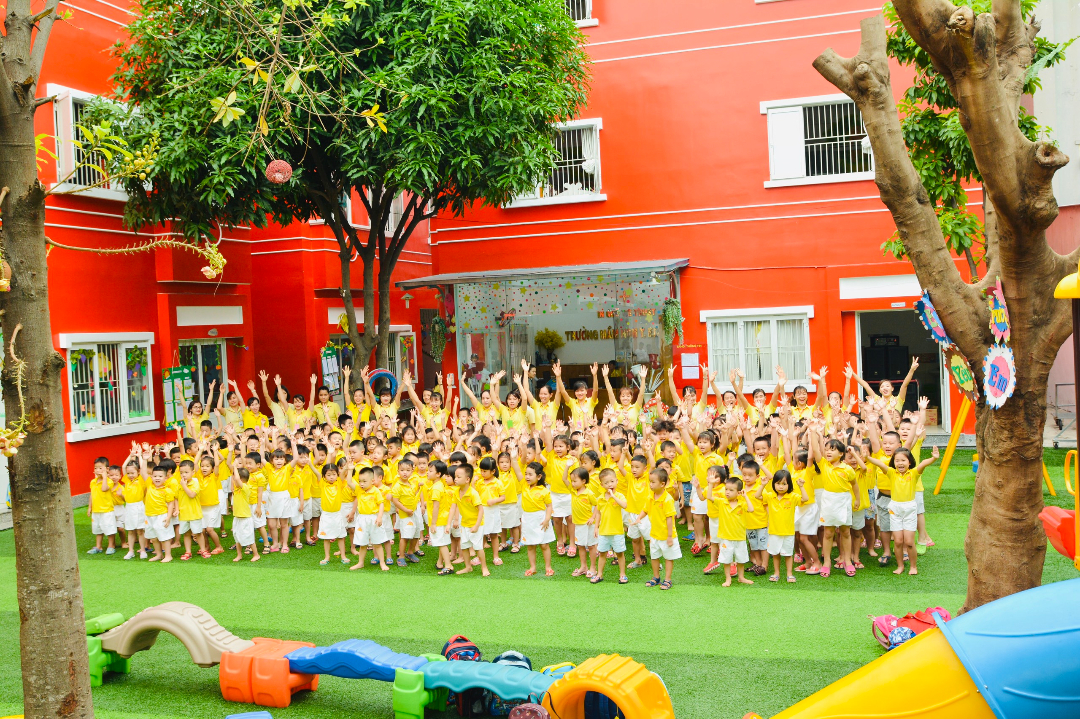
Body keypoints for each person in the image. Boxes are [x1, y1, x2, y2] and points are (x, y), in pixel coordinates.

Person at [867, 446, 939, 576]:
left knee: (909, 542)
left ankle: (913, 566)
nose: (900, 463)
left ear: (909, 462)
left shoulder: (913, 473)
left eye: (903, 460)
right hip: (895, 509)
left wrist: (933, 458)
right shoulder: (891, 473)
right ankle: (900, 566)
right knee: (898, 541)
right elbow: (879, 463)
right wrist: (867, 457)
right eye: (897, 460)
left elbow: (923, 464)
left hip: (909, 509)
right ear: (894, 462)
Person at [755, 468, 809, 583]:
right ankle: (776, 573)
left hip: (788, 532)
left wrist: (801, 486)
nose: (781, 486)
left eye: (784, 484)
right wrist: (763, 485)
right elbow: (757, 496)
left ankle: (789, 574)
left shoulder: (792, 496)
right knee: (775, 554)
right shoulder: (770, 496)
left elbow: (805, 499)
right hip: (774, 531)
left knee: (788, 554)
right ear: (774, 484)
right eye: (778, 483)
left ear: (789, 485)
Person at [637, 467, 680, 589]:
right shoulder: (650, 496)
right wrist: (639, 518)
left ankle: (668, 579)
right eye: (650, 481)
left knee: (668, 557)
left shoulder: (667, 499)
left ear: (662, 484)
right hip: (654, 534)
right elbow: (645, 509)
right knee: (654, 556)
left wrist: (670, 536)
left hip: (666, 535)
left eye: (653, 482)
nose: (650, 484)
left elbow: (670, 519)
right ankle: (656, 577)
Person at [708, 477, 755, 587]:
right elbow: (709, 497)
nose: (727, 492)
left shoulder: (742, 503)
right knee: (727, 559)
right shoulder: (722, 502)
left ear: (738, 492)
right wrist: (710, 484)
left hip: (740, 537)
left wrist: (745, 496)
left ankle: (741, 577)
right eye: (726, 489)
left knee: (741, 559)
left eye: (731, 490)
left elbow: (751, 509)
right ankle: (728, 578)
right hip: (726, 537)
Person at [516, 459, 555, 577]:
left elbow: (549, 506)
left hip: (541, 519)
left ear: (539, 476)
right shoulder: (524, 485)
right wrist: (513, 458)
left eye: (530, 474)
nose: (527, 477)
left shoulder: (544, 490)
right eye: (526, 474)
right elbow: (517, 470)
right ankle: (532, 567)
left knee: (544, 545)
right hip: (527, 519)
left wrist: (547, 519)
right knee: (530, 545)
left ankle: (548, 567)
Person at [450, 463, 488, 575]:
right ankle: (468, 567)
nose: (455, 479)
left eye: (458, 477)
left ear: (467, 479)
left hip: (476, 524)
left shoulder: (473, 493)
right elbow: (453, 508)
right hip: (464, 524)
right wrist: (448, 524)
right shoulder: (456, 491)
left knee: (478, 547)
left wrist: (476, 525)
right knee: (464, 546)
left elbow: (481, 510)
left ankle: (484, 568)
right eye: (455, 476)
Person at [592, 468, 628, 584]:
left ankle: (622, 575)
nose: (610, 485)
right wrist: (596, 527)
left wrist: (613, 497)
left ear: (617, 481)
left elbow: (624, 505)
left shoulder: (619, 496)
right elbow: (598, 513)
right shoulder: (600, 498)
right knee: (602, 553)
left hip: (617, 531)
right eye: (606, 483)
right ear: (602, 485)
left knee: (620, 554)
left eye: (612, 481)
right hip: (604, 531)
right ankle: (599, 574)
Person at [348, 466, 388, 571]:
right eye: (360, 481)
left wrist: (379, 517)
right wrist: (350, 470)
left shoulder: (376, 491)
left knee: (377, 543)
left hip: (373, 518)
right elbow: (349, 482)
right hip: (362, 519)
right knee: (362, 543)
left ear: (372, 481)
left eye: (364, 481)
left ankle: (382, 563)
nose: (361, 484)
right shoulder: (359, 490)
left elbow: (381, 504)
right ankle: (360, 563)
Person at [317, 462, 351, 565]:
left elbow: (343, 473)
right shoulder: (322, 483)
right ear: (324, 476)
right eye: (328, 475)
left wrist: (347, 467)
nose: (331, 477)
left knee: (340, 536)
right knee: (326, 537)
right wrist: (310, 463)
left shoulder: (339, 482)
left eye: (334, 474)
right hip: (326, 515)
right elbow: (317, 473)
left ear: (337, 474)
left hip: (337, 514)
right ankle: (327, 557)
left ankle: (343, 556)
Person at [175, 459, 208, 560]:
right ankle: (188, 552)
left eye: (186, 472)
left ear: (193, 472)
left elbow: (192, 495)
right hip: (183, 514)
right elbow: (176, 498)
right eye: (181, 473)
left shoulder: (195, 482)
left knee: (198, 533)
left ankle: (203, 550)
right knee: (186, 534)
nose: (183, 475)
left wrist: (184, 486)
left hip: (194, 513)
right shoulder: (179, 484)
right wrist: (177, 509)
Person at [144, 464, 177, 563]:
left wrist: (168, 517)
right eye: (155, 476)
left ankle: (168, 555)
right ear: (151, 477)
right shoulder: (150, 485)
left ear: (165, 478)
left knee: (164, 537)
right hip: (149, 515)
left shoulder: (168, 490)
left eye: (160, 476)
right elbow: (143, 472)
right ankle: (159, 554)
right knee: (153, 537)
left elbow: (171, 504)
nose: (157, 478)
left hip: (161, 515)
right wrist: (144, 459)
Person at [569, 467, 598, 577]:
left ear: (583, 481)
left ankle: (593, 568)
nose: (572, 483)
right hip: (578, 524)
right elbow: (564, 479)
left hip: (588, 524)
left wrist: (593, 517)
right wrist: (567, 466)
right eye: (572, 481)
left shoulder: (589, 493)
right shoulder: (573, 491)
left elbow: (597, 505)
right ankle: (583, 567)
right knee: (580, 546)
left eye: (575, 481)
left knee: (591, 546)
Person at [602, 363, 647, 430]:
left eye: (628, 396)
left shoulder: (636, 407)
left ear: (631, 397)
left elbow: (641, 394)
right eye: (623, 396)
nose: (625, 398)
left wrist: (643, 379)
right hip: (618, 435)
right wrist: (605, 377)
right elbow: (610, 392)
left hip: (632, 435)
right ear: (619, 397)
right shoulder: (616, 406)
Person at [87, 457, 117, 555]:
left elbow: (104, 489)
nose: (97, 470)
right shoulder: (93, 482)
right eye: (96, 468)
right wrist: (90, 507)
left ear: (107, 469)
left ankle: (111, 546)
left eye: (100, 468)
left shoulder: (109, 481)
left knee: (109, 529)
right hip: (96, 510)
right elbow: (92, 495)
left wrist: (104, 477)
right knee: (97, 529)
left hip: (107, 510)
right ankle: (98, 546)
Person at [557, 362, 599, 433]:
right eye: (577, 391)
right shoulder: (572, 402)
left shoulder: (591, 401)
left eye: (582, 390)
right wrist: (558, 377)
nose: (580, 393)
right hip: (576, 432)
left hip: (589, 431)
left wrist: (595, 375)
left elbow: (595, 390)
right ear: (575, 393)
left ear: (586, 391)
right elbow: (563, 391)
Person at [230, 466, 260, 562]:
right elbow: (235, 479)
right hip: (237, 517)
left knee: (249, 537)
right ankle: (239, 555)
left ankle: (256, 554)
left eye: (235, 478)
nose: (233, 480)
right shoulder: (236, 488)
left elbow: (237, 478)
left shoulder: (246, 488)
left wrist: (235, 467)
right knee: (237, 536)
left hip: (245, 518)